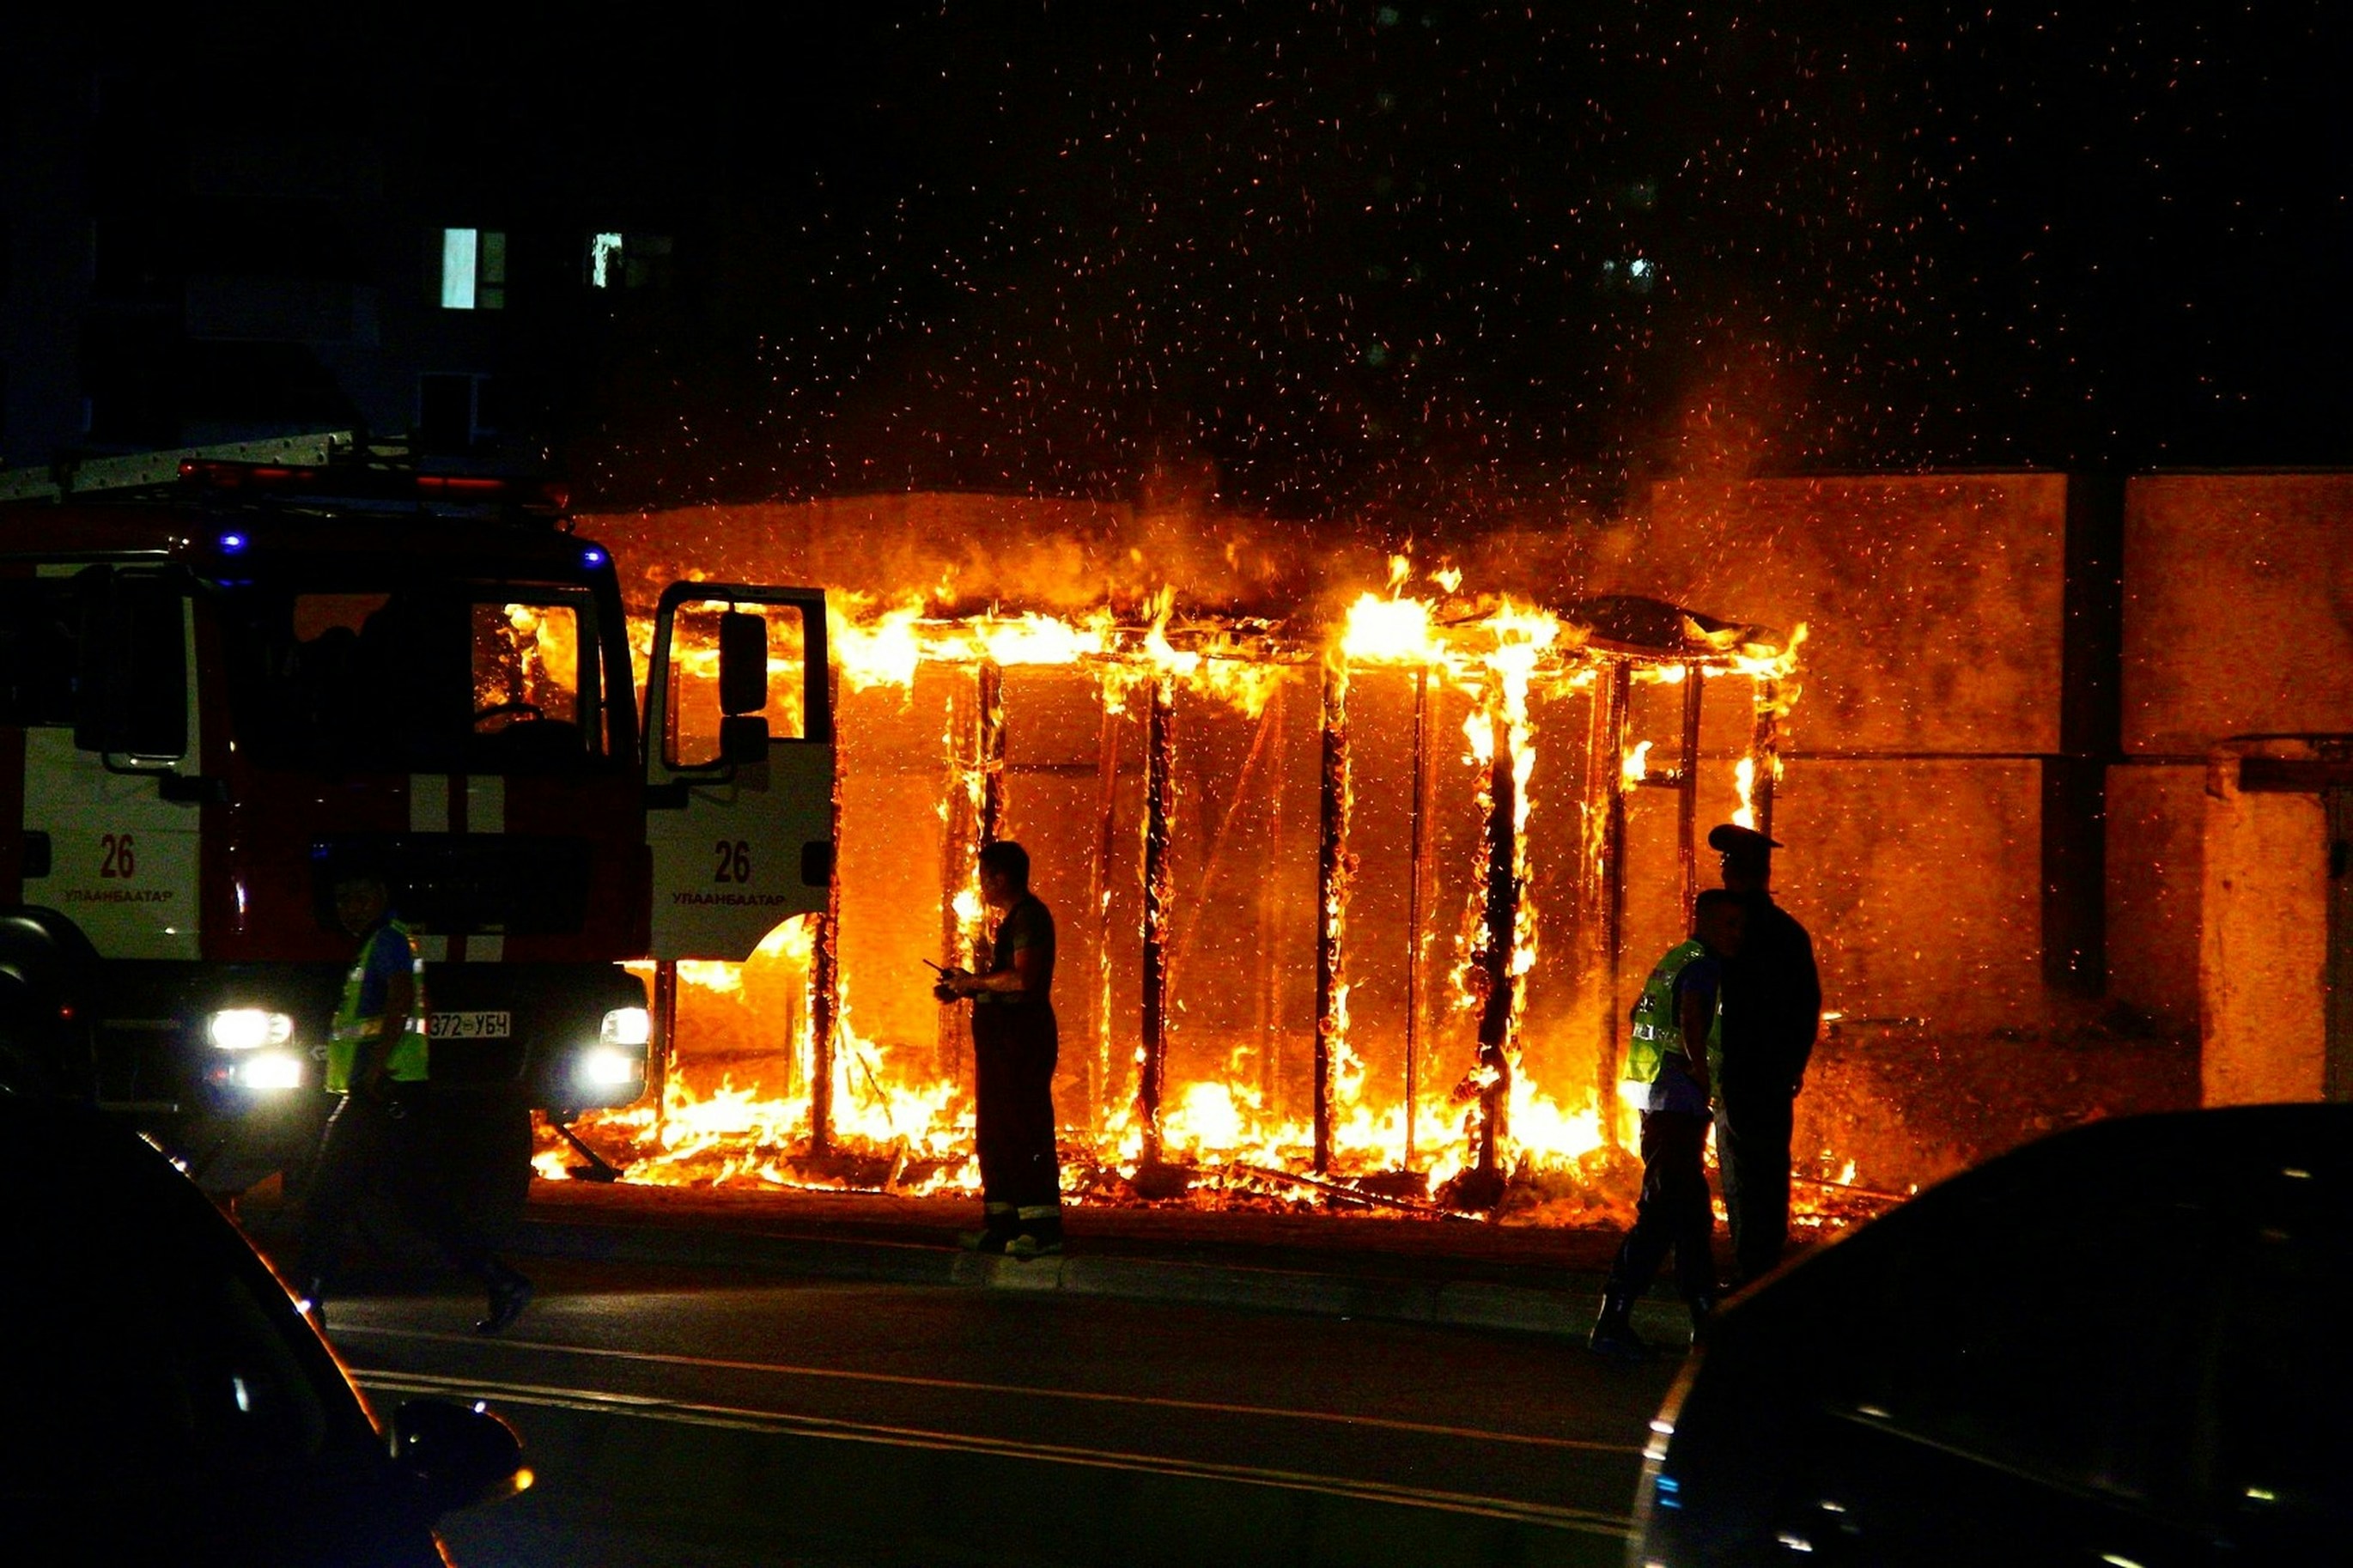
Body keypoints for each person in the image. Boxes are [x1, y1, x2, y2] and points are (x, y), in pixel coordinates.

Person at [295, 861, 532, 1334]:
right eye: (343, 900)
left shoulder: (386, 942)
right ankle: (501, 1281)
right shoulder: (380, 942)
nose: (350, 909)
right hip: (387, 1094)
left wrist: (376, 1070)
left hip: (380, 1093)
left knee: (326, 1199)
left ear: (381, 895)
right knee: (418, 1202)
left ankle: (308, 1305)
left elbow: (400, 1001)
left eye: (360, 898)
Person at [1590, 890, 1745, 1360]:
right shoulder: (1704, 965)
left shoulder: (1675, 959)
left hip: (1658, 1097)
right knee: (1664, 1213)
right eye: (1732, 924)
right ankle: (1613, 1324)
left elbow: (1641, 1011)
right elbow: (1692, 1018)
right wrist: (1702, 1072)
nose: (1739, 934)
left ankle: (1704, 1320)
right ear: (1712, 923)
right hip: (1677, 1102)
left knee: (1690, 1213)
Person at [1708, 822, 1822, 1285]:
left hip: (1738, 1067)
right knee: (1771, 1166)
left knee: (1739, 1168)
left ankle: (1751, 1267)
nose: (1722, 867)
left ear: (1734, 870)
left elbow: (1710, 1000)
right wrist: (1794, 1064)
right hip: (1774, 1071)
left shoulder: (1728, 934)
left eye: (1726, 861)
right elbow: (1806, 1004)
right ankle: (1766, 1265)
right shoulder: (1790, 933)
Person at [939, 841, 1063, 1258]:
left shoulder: (1030, 917)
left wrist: (973, 984)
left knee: (1023, 1131)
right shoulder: (1011, 921)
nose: (982, 885)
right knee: (995, 1134)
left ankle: (1042, 1231)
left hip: (1020, 1042)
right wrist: (966, 984)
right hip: (1000, 1045)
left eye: (984, 877)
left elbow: (1024, 980)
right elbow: (1001, 979)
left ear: (1000, 877)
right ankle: (1002, 1225)